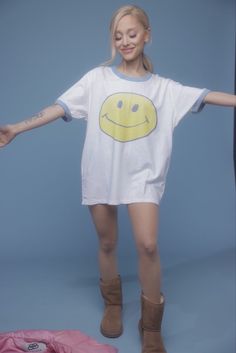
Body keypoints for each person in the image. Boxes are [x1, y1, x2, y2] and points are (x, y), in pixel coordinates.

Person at [0, 4, 235, 353]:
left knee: (148, 245)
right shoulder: (97, 79)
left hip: (143, 176)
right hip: (101, 171)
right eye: (118, 36)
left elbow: (207, 96)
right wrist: (18, 127)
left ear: (147, 35)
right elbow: (59, 107)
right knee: (108, 243)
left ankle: (151, 325)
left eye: (132, 33)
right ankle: (113, 303)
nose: (125, 41)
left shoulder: (165, 89)